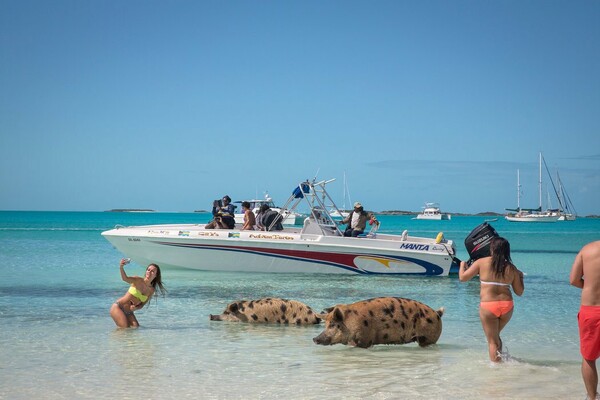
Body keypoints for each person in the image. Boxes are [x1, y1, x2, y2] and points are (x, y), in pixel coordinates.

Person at [459, 236, 524, 362]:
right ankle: (503, 361)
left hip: (489, 306)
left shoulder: (481, 262)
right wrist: (520, 277)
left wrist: (462, 265)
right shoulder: (512, 268)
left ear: (492, 249)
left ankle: (496, 372)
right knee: (495, 336)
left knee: (492, 341)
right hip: (507, 307)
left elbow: (463, 278)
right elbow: (519, 292)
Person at [570, 241, 600, 400]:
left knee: (589, 358)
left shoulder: (587, 250)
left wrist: (590, 286)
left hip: (591, 310)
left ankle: (592, 397)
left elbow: (574, 280)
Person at [110, 258, 166, 328]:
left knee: (136, 328)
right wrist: (121, 267)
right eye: (148, 270)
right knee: (125, 328)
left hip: (129, 312)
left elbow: (142, 304)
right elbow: (125, 278)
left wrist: (136, 308)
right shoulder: (138, 280)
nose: (149, 272)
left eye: (152, 271)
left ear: (156, 275)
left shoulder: (151, 290)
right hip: (118, 307)